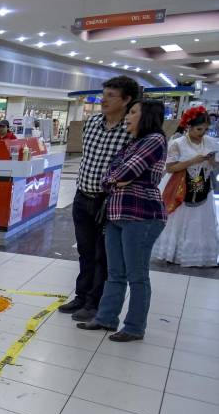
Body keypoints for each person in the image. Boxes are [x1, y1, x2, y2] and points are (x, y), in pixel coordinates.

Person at [78, 100, 167, 342]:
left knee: (137, 275)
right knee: (115, 271)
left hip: (141, 216)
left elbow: (125, 172)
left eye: (134, 112)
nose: (128, 116)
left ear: (146, 116)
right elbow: (109, 176)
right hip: (116, 213)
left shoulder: (155, 140)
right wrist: (116, 179)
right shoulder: (132, 143)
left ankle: (135, 327)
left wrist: (118, 178)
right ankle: (106, 317)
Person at [60, 76, 139, 321]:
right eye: (104, 94)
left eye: (111, 96)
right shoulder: (92, 122)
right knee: (84, 251)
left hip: (108, 203)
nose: (104, 100)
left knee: (102, 255)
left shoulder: (131, 131)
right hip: (82, 196)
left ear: (126, 100)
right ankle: (81, 296)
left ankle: (95, 303)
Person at [152, 106, 219, 267]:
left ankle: (197, 256)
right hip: (180, 187)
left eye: (205, 129)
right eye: (198, 129)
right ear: (189, 126)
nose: (202, 132)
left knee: (200, 222)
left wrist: (211, 162)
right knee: (177, 220)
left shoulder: (211, 142)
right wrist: (192, 161)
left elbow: (216, 165)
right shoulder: (177, 143)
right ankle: (172, 253)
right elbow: (169, 168)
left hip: (202, 187)